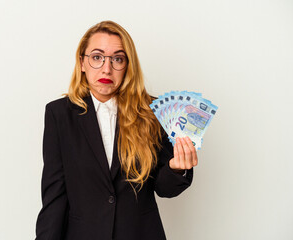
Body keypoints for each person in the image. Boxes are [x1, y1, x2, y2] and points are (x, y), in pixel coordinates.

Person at [35, 20, 198, 240]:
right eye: (97, 57)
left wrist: (176, 169)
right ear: (82, 62)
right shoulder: (59, 114)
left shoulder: (154, 112)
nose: (106, 68)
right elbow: (55, 196)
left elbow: (164, 188)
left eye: (117, 59)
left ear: (128, 66)